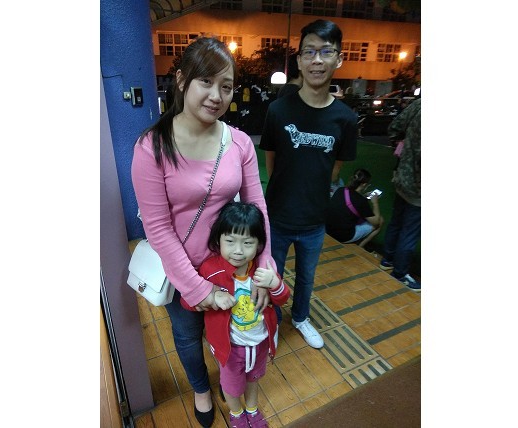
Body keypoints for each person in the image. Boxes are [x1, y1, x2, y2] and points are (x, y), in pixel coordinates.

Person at [131, 37, 274, 428]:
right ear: (181, 81)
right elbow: (158, 228)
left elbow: (258, 207)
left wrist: (264, 266)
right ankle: (200, 388)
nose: (216, 95)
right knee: (188, 335)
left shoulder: (239, 143)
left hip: (232, 267)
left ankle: (233, 385)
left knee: (232, 330)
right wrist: (198, 289)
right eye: (206, 82)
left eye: (226, 86)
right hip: (183, 272)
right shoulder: (152, 147)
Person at [259, 19, 357, 349]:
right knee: (272, 275)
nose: (317, 60)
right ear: (299, 60)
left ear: (338, 59)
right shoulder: (278, 110)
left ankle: (301, 317)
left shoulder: (346, 118)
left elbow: (333, 171)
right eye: (309, 52)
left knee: (307, 277)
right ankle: (272, 320)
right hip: (277, 218)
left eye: (326, 52)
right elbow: (272, 164)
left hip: (315, 221)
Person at [180, 202, 290, 428]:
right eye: (230, 241)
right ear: (218, 240)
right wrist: (211, 296)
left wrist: (275, 283)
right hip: (230, 349)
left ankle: (252, 409)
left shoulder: (263, 269)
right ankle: (237, 414)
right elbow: (187, 302)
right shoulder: (210, 270)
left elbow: (282, 299)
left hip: (260, 343)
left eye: (247, 243)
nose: (238, 250)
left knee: (254, 379)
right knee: (231, 387)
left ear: (259, 244)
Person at [379, 98, 421, 292]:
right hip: (419, 185)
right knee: (410, 231)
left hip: (403, 175)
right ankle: (400, 272)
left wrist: (404, 144)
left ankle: (388, 258)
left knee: (397, 221)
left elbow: (394, 127)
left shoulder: (419, 104)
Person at [326, 168, 384, 250]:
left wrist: (363, 197)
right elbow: (376, 221)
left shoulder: (341, 190)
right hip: (343, 237)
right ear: (364, 184)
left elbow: (353, 200)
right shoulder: (361, 201)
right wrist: (375, 203)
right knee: (380, 221)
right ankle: (360, 247)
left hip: (327, 230)